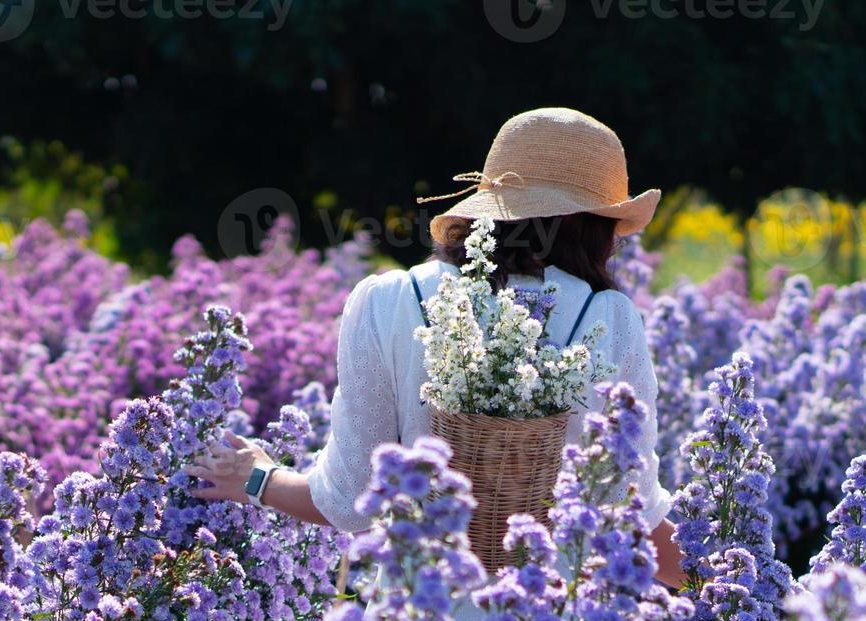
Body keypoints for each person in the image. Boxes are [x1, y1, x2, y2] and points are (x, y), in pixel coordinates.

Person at [184, 107, 685, 588]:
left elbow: (355, 496)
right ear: (594, 227)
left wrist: (259, 479)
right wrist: (721, 587)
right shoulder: (608, 318)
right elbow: (630, 510)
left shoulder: (388, 301)